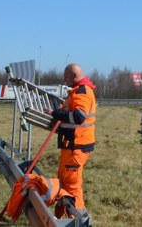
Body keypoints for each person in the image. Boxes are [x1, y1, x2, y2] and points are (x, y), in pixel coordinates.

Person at [44, 63, 97, 221]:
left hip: (76, 147)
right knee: (64, 182)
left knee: (72, 187)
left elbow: (79, 117)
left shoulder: (82, 92)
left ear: (74, 76)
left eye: (66, 76)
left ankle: (77, 220)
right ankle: (62, 218)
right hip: (72, 146)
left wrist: (55, 113)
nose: (64, 79)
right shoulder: (77, 91)